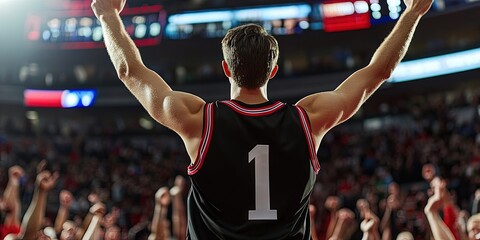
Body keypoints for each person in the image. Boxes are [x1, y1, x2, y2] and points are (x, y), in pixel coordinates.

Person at [90, 0, 433, 237]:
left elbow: (129, 70)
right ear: (273, 70)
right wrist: (413, 12)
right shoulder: (308, 120)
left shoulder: (198, 120)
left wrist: (107, 14)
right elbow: (378, 71)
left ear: (226, 69)